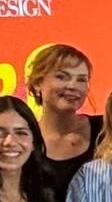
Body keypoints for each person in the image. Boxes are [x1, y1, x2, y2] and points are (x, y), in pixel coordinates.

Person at [27, 43, 98, 192]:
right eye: (62, 77)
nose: (73, 86)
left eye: (81, 79)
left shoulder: (106, 130)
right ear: (38, 83)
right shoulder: (24, 142)